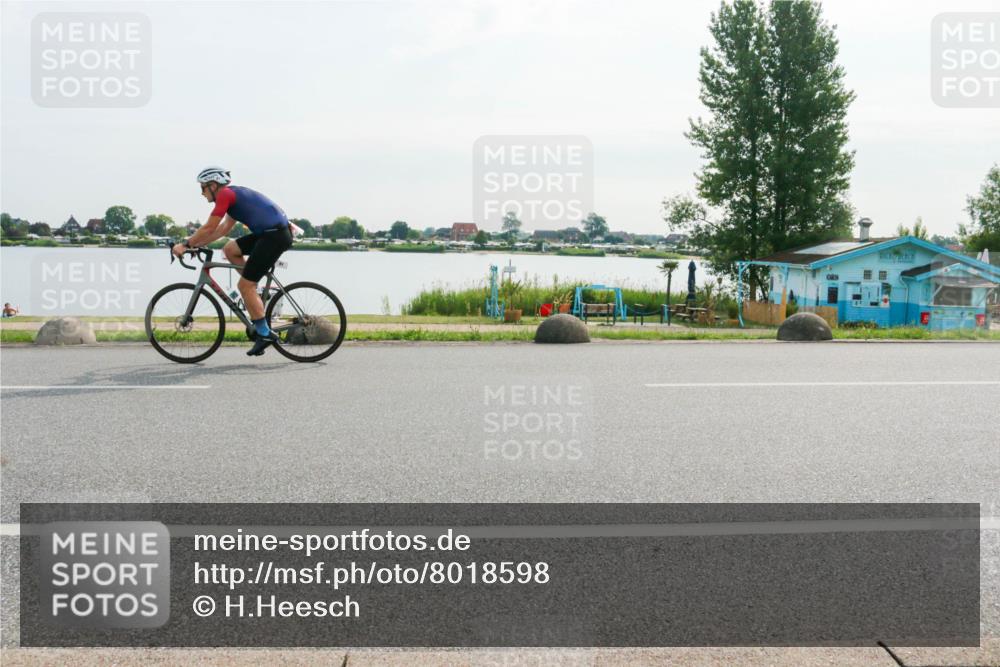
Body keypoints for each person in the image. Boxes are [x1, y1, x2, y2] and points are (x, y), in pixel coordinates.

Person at [173, 167, 294, 356]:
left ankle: (264, 333)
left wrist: (186, 244)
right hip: (271, 234)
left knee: (244, 286)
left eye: (203, 188)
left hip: (274, 237)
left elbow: (209, 226)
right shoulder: (232, 196)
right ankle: (252, 288)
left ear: (213, 185)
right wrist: (194, 246)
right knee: (230, 249)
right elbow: (221, 230)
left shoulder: (226, 195)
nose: (202, 193)